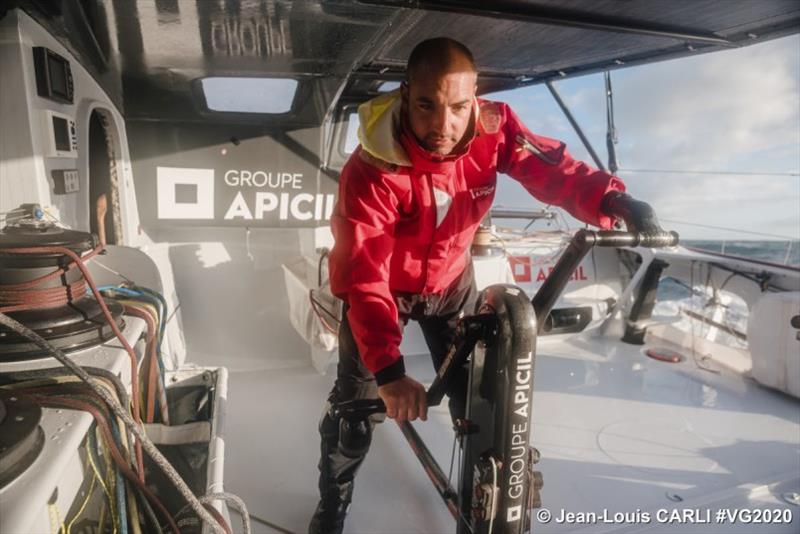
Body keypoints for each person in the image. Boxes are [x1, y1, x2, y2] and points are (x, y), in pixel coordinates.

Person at [309, 37, 627, 533]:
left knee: (479, 402)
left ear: (475, 101)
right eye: (426, 105)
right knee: (355, 416)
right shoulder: (371, 168)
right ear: (404, 94)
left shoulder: (494, 132)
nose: (443, 125)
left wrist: (613, 203)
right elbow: (365, 272)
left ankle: (483, 495)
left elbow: (552, 169)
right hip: (384, 291)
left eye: (459, 107)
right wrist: (391, 374)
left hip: (452, 284)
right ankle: (333, 504)